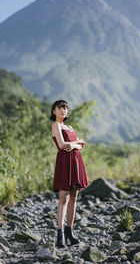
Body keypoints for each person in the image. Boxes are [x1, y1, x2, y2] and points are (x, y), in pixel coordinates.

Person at [50, 99, 88, 247]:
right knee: (64, 197)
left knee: (74, 196)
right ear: (54, 111)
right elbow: (62, 145)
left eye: (65, 108)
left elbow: (81, 146)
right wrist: (76, 143)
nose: (62, 110)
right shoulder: (56, 125)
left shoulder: (70, 127)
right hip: (64, 161)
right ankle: (59, 236)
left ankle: (69, 232)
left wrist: (75, 145)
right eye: (59, 108)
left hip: (76, 161)